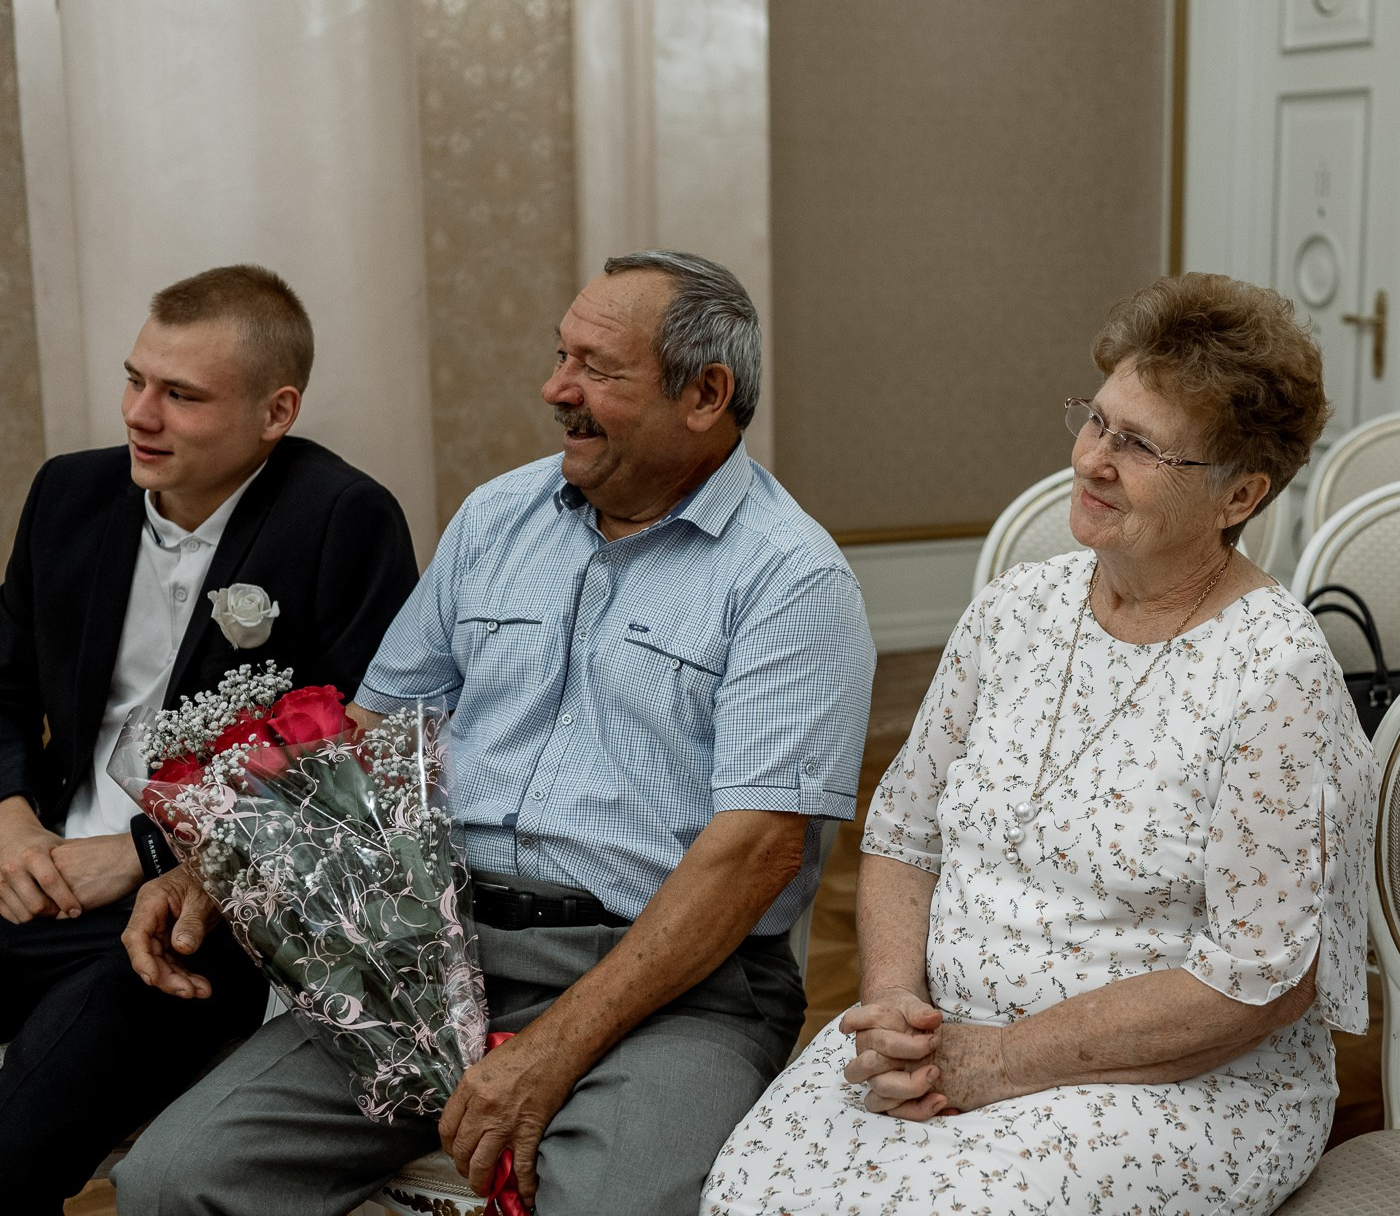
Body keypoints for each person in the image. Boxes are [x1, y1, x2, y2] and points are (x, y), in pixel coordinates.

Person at [114, 250, 874, 1216]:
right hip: (430, 949)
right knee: (172, 1181)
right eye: (561, 356)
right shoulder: (498, 517)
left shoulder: (788, 578)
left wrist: (551, 1051)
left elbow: (755, 854)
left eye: (598, 369)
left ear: (706, 394)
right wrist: (212, 869)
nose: (557, 389)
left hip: (673, 989)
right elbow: (365, 730)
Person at [702, 272, 1378, 1216]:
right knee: (747, 1190)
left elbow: (1259, 981)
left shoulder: (1275, 676)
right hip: (945, 1040)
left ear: (1241, 494)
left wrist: (998, 1063)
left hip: (1173, 1087)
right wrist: (896, 1009)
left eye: (1140, 446)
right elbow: (903, 832)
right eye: (1097, 420)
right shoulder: (1017, 608)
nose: (1093, 459)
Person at [0, 265, 418, 1214]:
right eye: (136, 379)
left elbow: (354, 761)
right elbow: (6, 685)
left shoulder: (343, 520)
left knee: (32, 1103)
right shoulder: (70, 494)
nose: (140, 414)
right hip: (41, 862)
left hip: (201, 910)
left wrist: (147, 850)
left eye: (181, 395)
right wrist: (12, 818)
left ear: (277, 412)